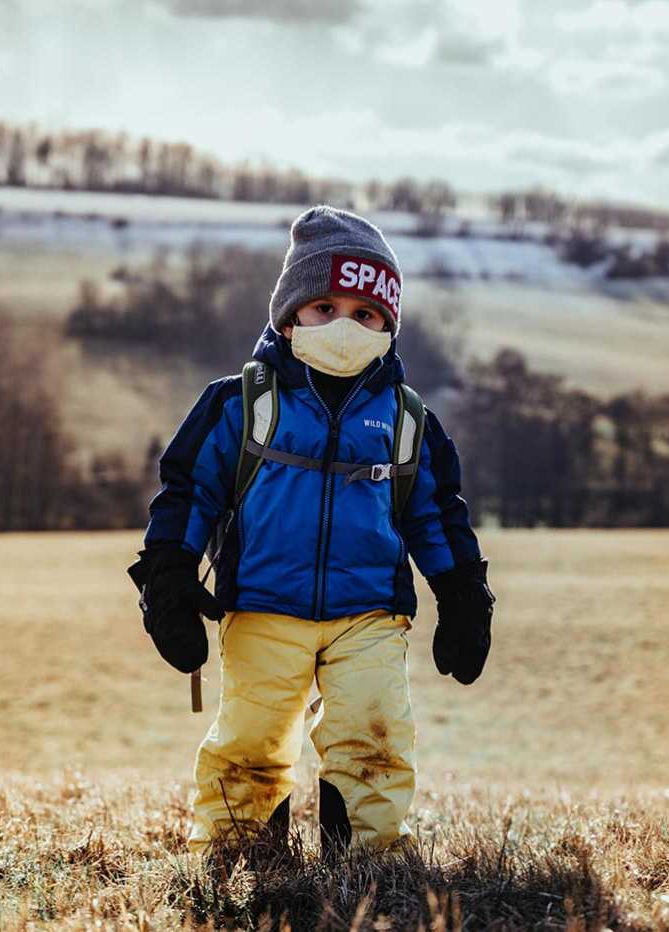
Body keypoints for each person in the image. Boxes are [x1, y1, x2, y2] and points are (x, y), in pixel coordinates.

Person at [129, 204, 495, 857]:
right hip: (263, 607)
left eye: (366, 315)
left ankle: (369, 858)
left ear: (389, 326)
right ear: (289, 313)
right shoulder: (239, 404)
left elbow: (437, 513)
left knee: (374, 737)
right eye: (324, 308)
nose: (344, 328)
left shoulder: (407, 419)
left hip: (371, 618)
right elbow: (189, 491)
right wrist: (169, 575)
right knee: (251, 741)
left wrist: (464, 592)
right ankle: (237, 850)